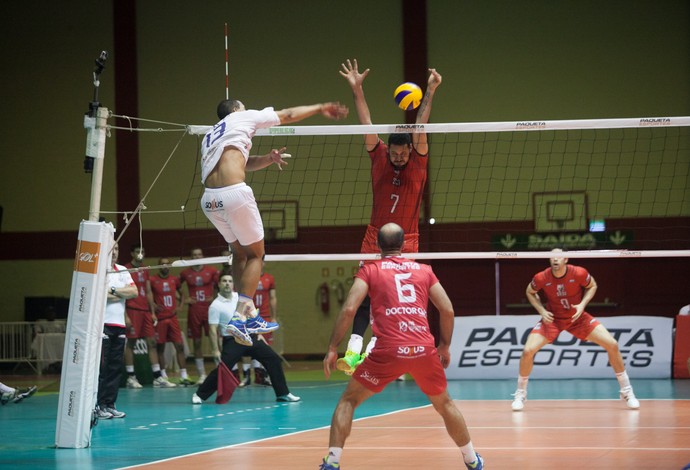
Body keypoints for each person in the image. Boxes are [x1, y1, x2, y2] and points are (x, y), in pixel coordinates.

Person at [320, 223, 483, 470]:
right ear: (404, 244)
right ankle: (472, 460)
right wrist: (445, 346)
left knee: (348, 401)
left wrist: (333, 347)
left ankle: (332, 462)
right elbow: (447, 309)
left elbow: (350, 309)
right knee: (445, 404)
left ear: (377, 245)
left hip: (388, 351)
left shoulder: (370, 270)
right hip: (423, 349)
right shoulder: (424, 270)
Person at [200, 97, 348, 346]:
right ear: (236, 109)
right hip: (234, 194)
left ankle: (248, 312)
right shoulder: (241, 117)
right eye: (244, 106)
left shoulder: (210, 135)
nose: (247, 109)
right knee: (257, 255)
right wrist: (319, 107)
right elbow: (288, 112)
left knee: (239, 254)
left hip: (209, 201)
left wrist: (269, 158)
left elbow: (240, 162)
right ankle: (239, 316)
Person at [336, 59, 442, 375]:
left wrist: (431, 92)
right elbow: (366, 121)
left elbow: (421, 123)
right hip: (374, 236)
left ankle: (372, 349)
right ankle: (353, 351)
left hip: (407, 239)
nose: (397, 158)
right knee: (365, 291)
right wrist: (357, 89)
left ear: (411, 150)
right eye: (394, 154)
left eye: (402, 154)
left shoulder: (418, 161)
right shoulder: (379, 155)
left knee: (395, 296)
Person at [511, 248, 640, 411]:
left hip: (577, 318)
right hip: (553, 319)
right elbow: (530, 291)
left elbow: (592, 285)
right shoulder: (542, 277)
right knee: (528, 351)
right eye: (551, 257)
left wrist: (582, 305)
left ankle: (626, 391)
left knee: (612, 344)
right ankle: (520, 393)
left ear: (566, 259)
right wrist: (542, 311)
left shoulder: (578, 273)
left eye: (558, 257)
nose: (555, 259)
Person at [192, 274, 300, 404]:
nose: (227, 283)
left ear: (233, 284)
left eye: (230, 281)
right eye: (224, 281)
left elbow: (251, 316)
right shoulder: (215, 306)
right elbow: (213, 330)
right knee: (223, 369)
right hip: (233, 341)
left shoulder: (240, 298)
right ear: (219, 284)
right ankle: (200, 395)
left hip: (251, 337)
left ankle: (283, 393)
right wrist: (215, 350)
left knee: (273, 359)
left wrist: (259, 333)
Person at [123, 243, 175, 389]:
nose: (141, 254)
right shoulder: (126, 269)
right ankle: (130, 377)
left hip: (145, 311)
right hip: (132, 309)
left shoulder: (145, 269)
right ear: (132, 253)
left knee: (152, 342)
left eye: (143, 251)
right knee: (131, 343)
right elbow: (124, 294)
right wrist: (125, 315)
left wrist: (152, 312)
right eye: (138, 251)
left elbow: (148, 291)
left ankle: (157, 377)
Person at [96, 242, 137, 419]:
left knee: (115, 369)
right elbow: (99, 294)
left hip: (119, 325)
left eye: (117, 249)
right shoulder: (98, 271)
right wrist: (121, 293)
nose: (114, 253)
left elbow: (134, 292)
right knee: (102, 369)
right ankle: (97, 406)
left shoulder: (121, 270)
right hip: (102, 325)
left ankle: (109, 404)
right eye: (111, 249)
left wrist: (112, 290)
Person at [147, 258, 190, 386]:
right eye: (162, 264)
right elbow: (148, 295)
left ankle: (184, 375)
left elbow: (181, 293)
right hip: (160, 319)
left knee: (179, 346)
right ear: (158, 266)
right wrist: (153, 306)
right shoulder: (153, 280)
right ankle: (163, 374)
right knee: (160, 348)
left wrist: (180, 306)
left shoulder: (174, 280)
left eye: (167, 264)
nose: (165, 266)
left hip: (173, 318)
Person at [180, 247, 220, 382]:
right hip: (194, 310)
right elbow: (174, 286)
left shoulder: (212, 271)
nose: (197, 257)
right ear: (191, 257)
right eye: (194, 255)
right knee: (197, 342)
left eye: (199, 254)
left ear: (203, 256)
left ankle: (219, 372)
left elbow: (219, 286)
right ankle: (201, 375)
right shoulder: (185, 273)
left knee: (214, 340)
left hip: (209, 310)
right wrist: (184, 300)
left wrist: (215, 298)